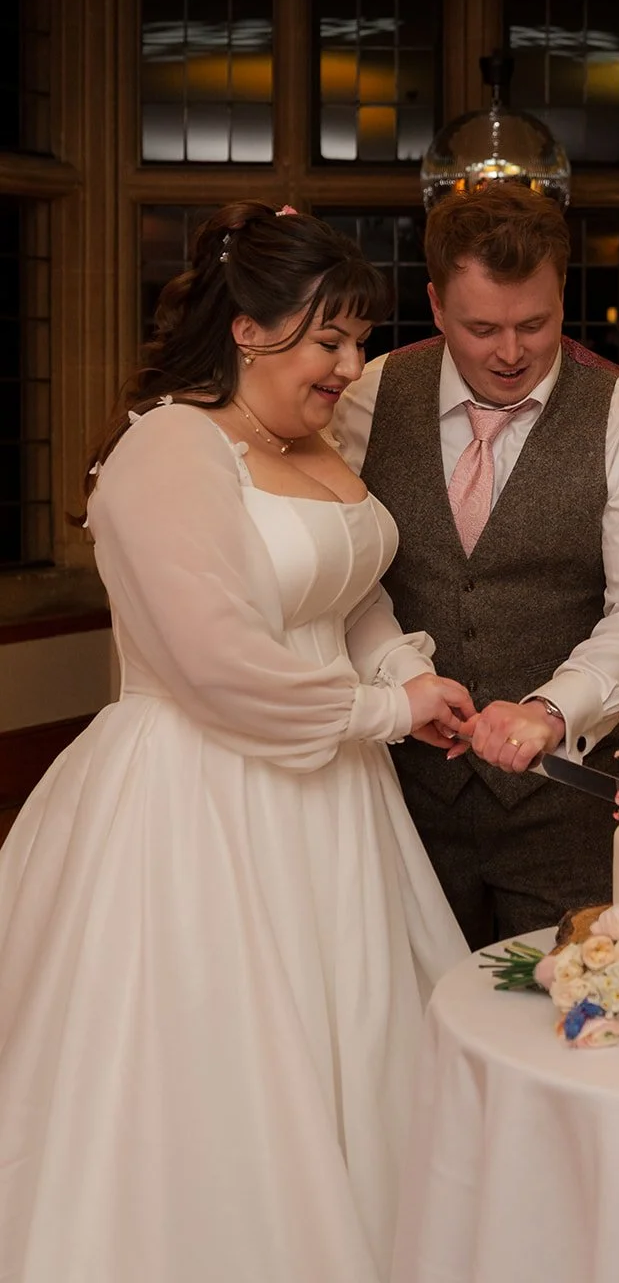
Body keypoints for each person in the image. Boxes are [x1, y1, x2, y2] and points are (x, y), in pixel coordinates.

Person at [0, 202, 474, 1283]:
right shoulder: (167, 449)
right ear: (249, 329)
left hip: (334, 797)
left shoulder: (304, 438)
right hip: (201, 798)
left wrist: (409, 672)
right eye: (329, 339)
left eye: (356, 339)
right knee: (223, 1077)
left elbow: (347, 595)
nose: (350, 365)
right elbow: (218, 664)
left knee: (351, 1051)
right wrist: (383, 714)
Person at [332, 184, 619, 950]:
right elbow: (345, 581)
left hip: (562, 806)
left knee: (571, 1017)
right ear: (434, 305)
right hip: (396, 793)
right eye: (480, 327)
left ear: (563, 295)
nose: (509, 352)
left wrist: (551, 710)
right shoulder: (362, 398)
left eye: (534, 324)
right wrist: (400, 682)